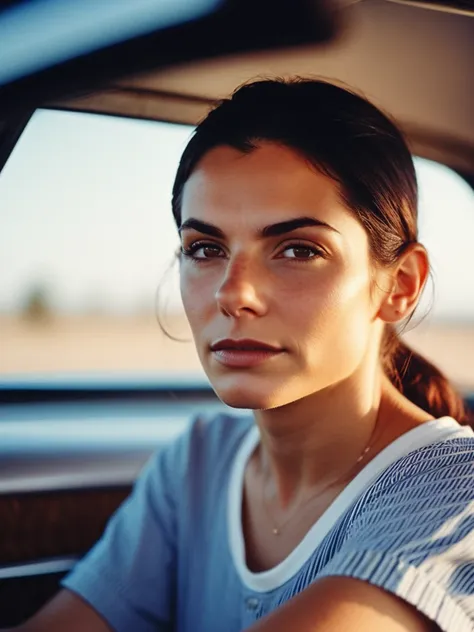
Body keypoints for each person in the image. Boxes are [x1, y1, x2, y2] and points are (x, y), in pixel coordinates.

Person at [11, 78, 474, 632]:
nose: (234, 294)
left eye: (298, 249)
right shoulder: (199, 462)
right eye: (205, 249)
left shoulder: (457, 493)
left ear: (400, 284)